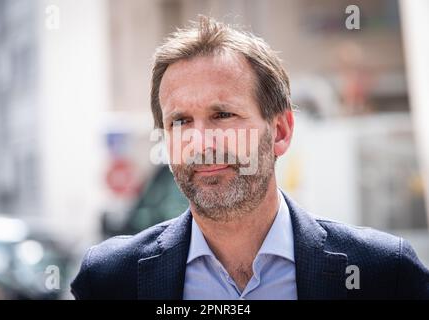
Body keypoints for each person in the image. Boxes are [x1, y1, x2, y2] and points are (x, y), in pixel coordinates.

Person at [71, 16, 429, 300]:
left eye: (223, 114)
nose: (200, 142)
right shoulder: (109, 280)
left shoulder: (384, 274)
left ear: (282, 131)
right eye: (180, 121)